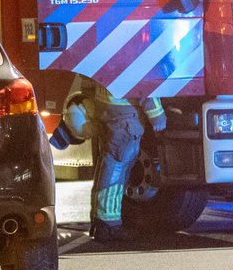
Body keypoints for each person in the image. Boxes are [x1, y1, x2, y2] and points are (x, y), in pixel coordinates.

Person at [57, 74, 165, 242]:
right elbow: (145, 83)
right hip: (127, 119)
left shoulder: (105, 52)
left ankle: (99, 221)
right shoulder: (134, 51)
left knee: (107, 167)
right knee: (115, 173)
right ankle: (108, 225)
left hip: (106, 112)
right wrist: (157, 115)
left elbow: (87, 81)